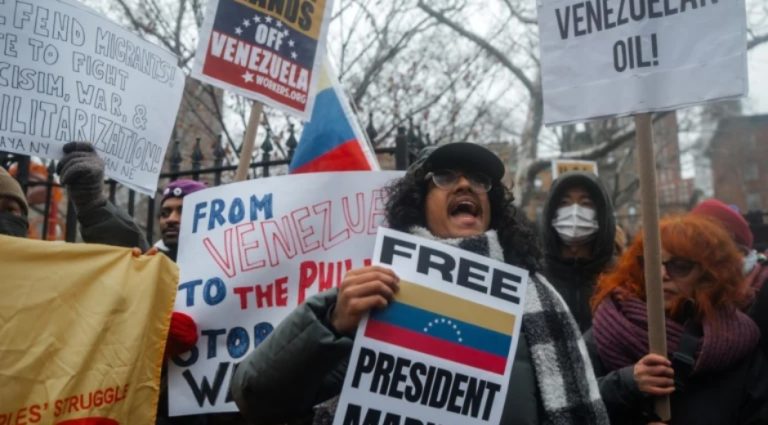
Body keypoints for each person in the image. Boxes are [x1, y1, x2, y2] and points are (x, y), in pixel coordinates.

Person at [230, 143, 609, 425]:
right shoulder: (375, 289)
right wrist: (330, 324)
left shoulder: (536, 297)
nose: (466, 185)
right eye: (445, 177)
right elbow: (256, 397)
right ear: (418, 201)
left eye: (479, 180)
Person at [586, 214, 768, 424]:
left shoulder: (739, 346)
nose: (662, 274)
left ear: (709, 274)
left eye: (680, 266)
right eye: (651, 263)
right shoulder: (605, 331)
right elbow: (568, 406)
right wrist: (624, 384)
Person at [541, 171, 616, 332]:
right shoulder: (535, 276)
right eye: (564, 202)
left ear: (601, 214)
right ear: (551, 213)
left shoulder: (620, 278)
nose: (574, 211)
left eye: (586, 203)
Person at [155, 179, 207, 261]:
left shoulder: (228, 266)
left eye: (184, 211)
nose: (171, 219)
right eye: (164, 213)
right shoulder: (149, 263)